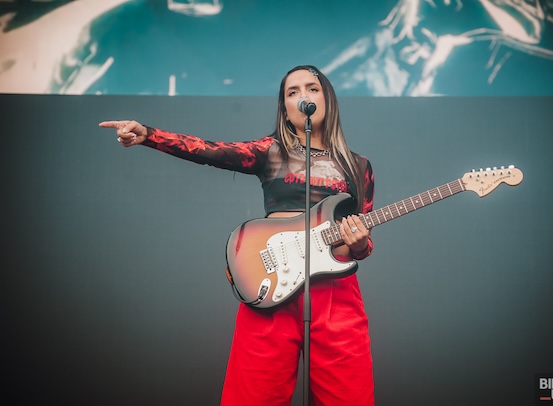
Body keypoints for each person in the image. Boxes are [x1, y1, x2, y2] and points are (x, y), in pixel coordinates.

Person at [99, 65, 375, 405]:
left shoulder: (358, 166)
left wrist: (360, 243)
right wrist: (149, 135)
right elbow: (209, 150)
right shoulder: (271, 151)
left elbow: (362, 237)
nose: (303, 95)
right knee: (252, 396)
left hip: (335, 296)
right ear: (286, 111)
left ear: (327, 100)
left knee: (350, 397)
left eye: (312, 88)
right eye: (292, 92)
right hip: (273, 283)